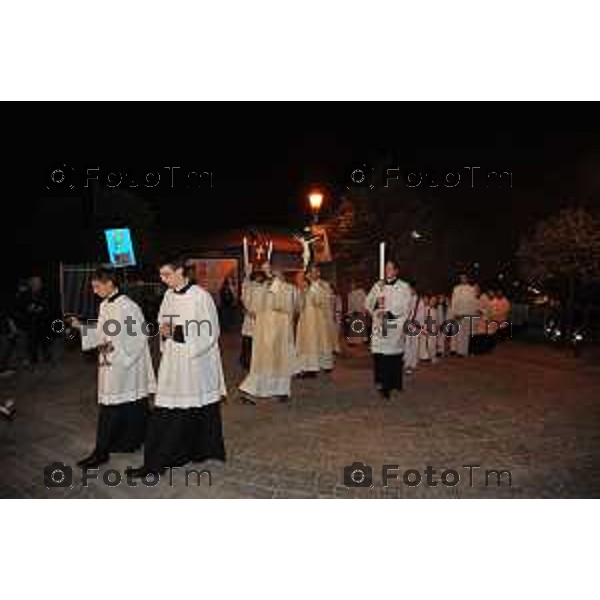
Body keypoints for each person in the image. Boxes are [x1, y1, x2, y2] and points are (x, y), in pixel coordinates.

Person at [128, 258, 227, 478]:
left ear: (181, 271)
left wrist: (177, 332)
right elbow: (163, 321)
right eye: (161, 275)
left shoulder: (201, 296)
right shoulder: (168, 296)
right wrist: (164, 331)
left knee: (192, 407)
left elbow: (211, 331)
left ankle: (192, 452)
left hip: (195, 362)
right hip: (174, 359)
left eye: (167, 274)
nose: (163, 280)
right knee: (169, 408)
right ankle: (162, 459)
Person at [70, 267, 156, 469]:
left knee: (113, 407)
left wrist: (121, 354)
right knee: (128, 405)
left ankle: (101, 452)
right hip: (111, 362)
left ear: (110, 283)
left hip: (126, 365)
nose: (94, 290)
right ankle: (129, 442)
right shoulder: (105, 305)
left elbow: (139, 336)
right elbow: (102, 331)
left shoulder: (128, 306)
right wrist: (81, 328)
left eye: (96, 286)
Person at [239, 262, 297, 403]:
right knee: (262, 363)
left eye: (277, 275)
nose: (273, 278)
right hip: (264, 333)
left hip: (281, 333)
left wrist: (273, 278)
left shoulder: (289, 289)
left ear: (282, 277)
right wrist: (247, 277)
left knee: (280, 363)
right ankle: (252, 392)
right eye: (271, 275)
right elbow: (249, 302)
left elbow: (285, 304)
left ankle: (281, 391)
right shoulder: (263, 288)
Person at [365, 260, 412, 398]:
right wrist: (376, 310)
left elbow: (406, 305)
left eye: (390, 268)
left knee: (395, 355)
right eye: (386, 268)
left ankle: (396, 383)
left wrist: (391, 313)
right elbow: (368, 303)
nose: (387, 271)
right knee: (381, 355)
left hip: (395, 324)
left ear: (396, 271)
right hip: (381, 325)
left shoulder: (404, 286)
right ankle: (383, 385)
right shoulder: (378, 286)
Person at [294, 264, 335, 377]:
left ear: (319, 273)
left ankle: (320, 365)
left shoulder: (324, 285)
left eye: (315, 272)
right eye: (311, 272)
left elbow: (320, 301)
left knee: (317, 342)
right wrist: (301, 291)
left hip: (318, 320)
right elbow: (298, 304)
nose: (312, 274)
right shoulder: (304, 286)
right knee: (306, 344)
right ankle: (306, 367)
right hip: (305, 320)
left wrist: (312, 286)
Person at [239, 266, 265, 371]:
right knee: (248, 340)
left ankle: (256, 361)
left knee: (258, 341)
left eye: (260, 276)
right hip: (250, 317)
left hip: (260, 318)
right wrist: (247, 311)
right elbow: (243, 298)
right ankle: (245, 360)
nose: (259, 278)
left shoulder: (264, 287)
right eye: (257, 276)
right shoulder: (249, 286)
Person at [449, 273, 479, 357]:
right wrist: (454, 313)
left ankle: (463, 351)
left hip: (467, 315)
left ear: (467, 279)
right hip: (457, 314)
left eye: (464, 278)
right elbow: (453, 301)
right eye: (461, 278)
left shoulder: (471, 289)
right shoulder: (456, 288)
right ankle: (455, 350)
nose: (463, 279)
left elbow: (473, 303)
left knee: (465, 334)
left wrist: (466, 313)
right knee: (457, 334)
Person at [404, 284, 426, 375]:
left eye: (409, 289)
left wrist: (419, 325)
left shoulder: (419, 301)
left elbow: (422, 314)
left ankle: (412, 364)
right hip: (407, 324)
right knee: (407, 344)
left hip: (415, 325)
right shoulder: (406, 299)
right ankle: (407, 363)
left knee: (414, 345)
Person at [346, 280, 368, 345]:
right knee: (354, 326)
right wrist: (350, 312)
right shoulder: (350, 294)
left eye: (353, 284)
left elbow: (364, 301)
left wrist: (364, 310)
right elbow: (350, 304)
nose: (352, 286)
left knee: (360, 325)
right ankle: (353, 340)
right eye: (351, 285)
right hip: (354, 312)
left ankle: (362, 340)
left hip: (360, 310)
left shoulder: (361, 292)